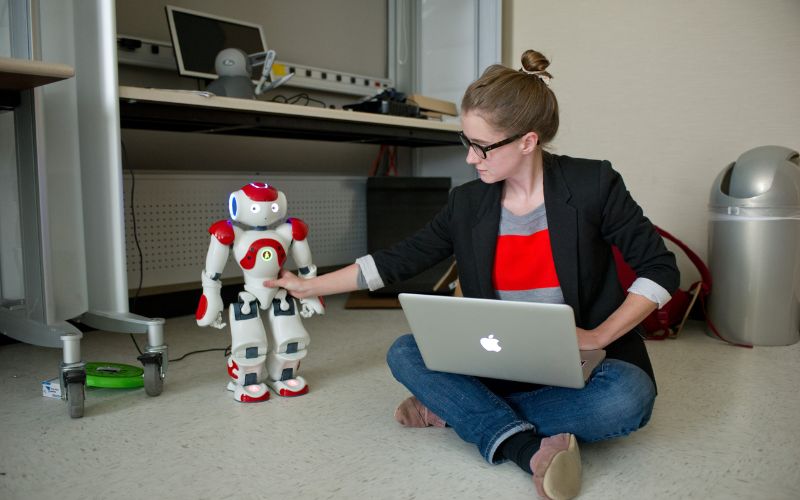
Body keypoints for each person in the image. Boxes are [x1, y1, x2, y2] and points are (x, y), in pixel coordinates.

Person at [265, 49, 680, 500]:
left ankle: (455, 411)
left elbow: (660, 268)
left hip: (582, 361)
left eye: (481, 146)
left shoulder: (593, 184)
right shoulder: (468, 202)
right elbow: (401, 259)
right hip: (498, 360)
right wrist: (308, 285)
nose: (469, 158)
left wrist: (599, 336)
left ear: (527, 141)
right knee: (405, 351)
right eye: (466, 141)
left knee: (626, 399)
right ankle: (524, 446)